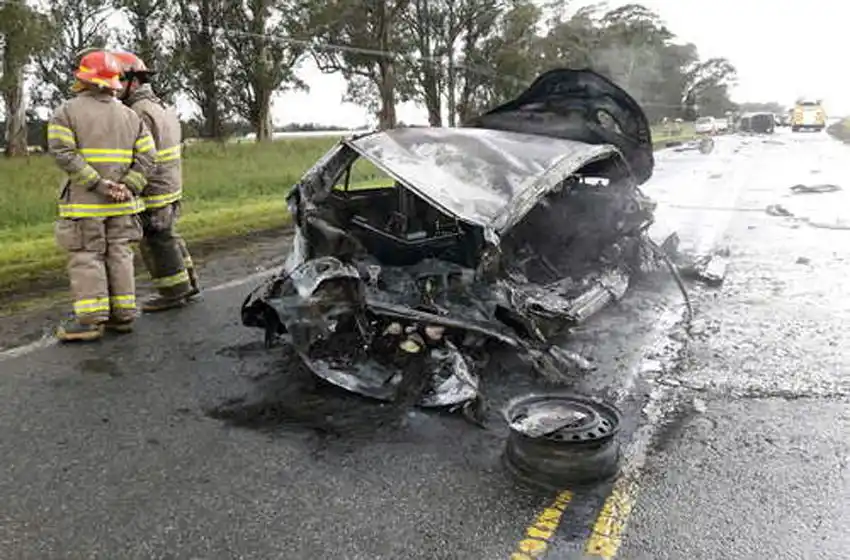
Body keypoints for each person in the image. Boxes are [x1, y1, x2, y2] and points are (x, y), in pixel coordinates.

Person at [47, 50, 157, 341]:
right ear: (113, 82)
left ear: (83, 79)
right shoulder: (131, 115)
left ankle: (91, 320)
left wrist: (97, 184)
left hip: (85, 204)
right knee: (120, 253)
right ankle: (123, 315)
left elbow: (63, 153)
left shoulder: (66, 112)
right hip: (122, 204)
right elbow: (148, 156)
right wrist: (129, 187)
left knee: (86, 256)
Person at [112, 50, 201, 312]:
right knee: (169, 236)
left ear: (134, 81)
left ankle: (173, 292)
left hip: (153, 188)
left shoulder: (137, 112)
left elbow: (142, 155)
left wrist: (128, 184)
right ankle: (188, 283)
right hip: (170, 185)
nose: (114, 88)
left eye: (119, 81)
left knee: (156, 240)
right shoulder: (161, 106)